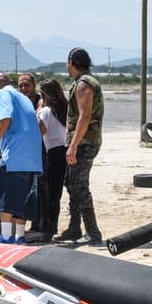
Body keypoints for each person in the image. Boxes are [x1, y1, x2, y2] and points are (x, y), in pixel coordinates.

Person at [53, 47, 104, 245]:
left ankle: (93, 232)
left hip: (84, 142)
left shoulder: (84, 84)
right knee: (72, 182)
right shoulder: (84, 82)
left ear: (71, 63)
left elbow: (84, 116)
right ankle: (75, 228)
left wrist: (73, 145)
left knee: (80, 186)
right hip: (83, 140)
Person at [0, 73, 43, 243]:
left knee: (6, 196)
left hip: (15, 156)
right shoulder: (24, 98)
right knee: (25, 198)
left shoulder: (3, 94)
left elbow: (5, 118)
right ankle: (20, 236)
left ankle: (5, 236)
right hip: (32, 158)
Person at [36, 78, 69, 239]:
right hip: (65, 150)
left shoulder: (45, 112)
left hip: (53, 152)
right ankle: (52, 227)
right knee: (57, 193)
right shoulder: (65, 109)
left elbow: (38, 134)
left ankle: (49, 229)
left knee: (49, 193)